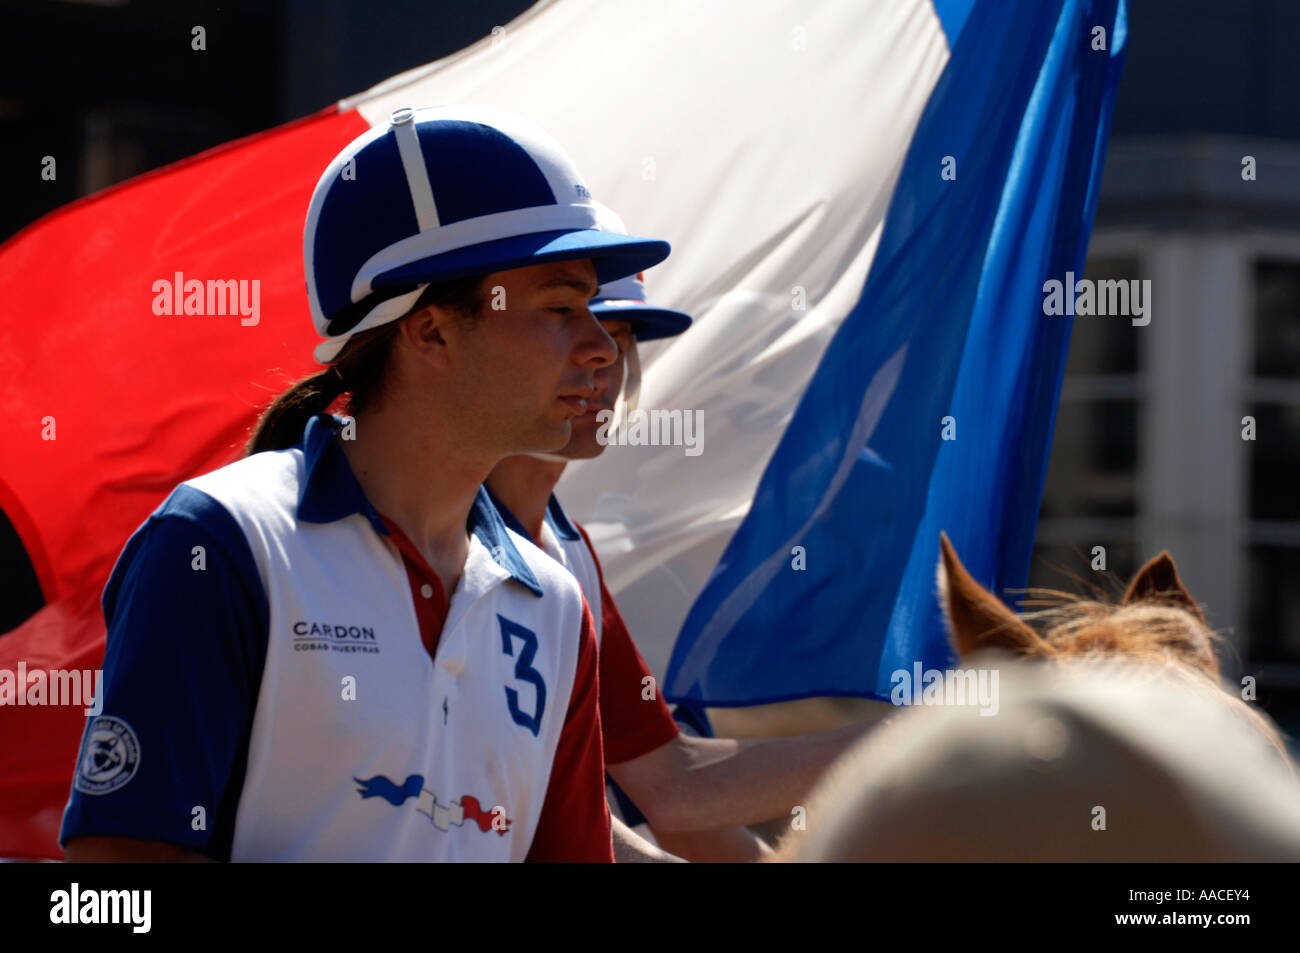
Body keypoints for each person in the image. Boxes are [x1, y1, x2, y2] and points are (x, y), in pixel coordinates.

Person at [59, 105, 670, 862]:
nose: (601, 348)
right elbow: (112, 889)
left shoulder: (555, 604)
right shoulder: (220, 542)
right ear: (430, 330)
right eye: (560, 307)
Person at [485, 212, 884, 862]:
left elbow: (673, 787)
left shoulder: (570, 546)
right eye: (570, 325)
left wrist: (922, 735)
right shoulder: (455, 537)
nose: (602, 363)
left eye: (621, 340)